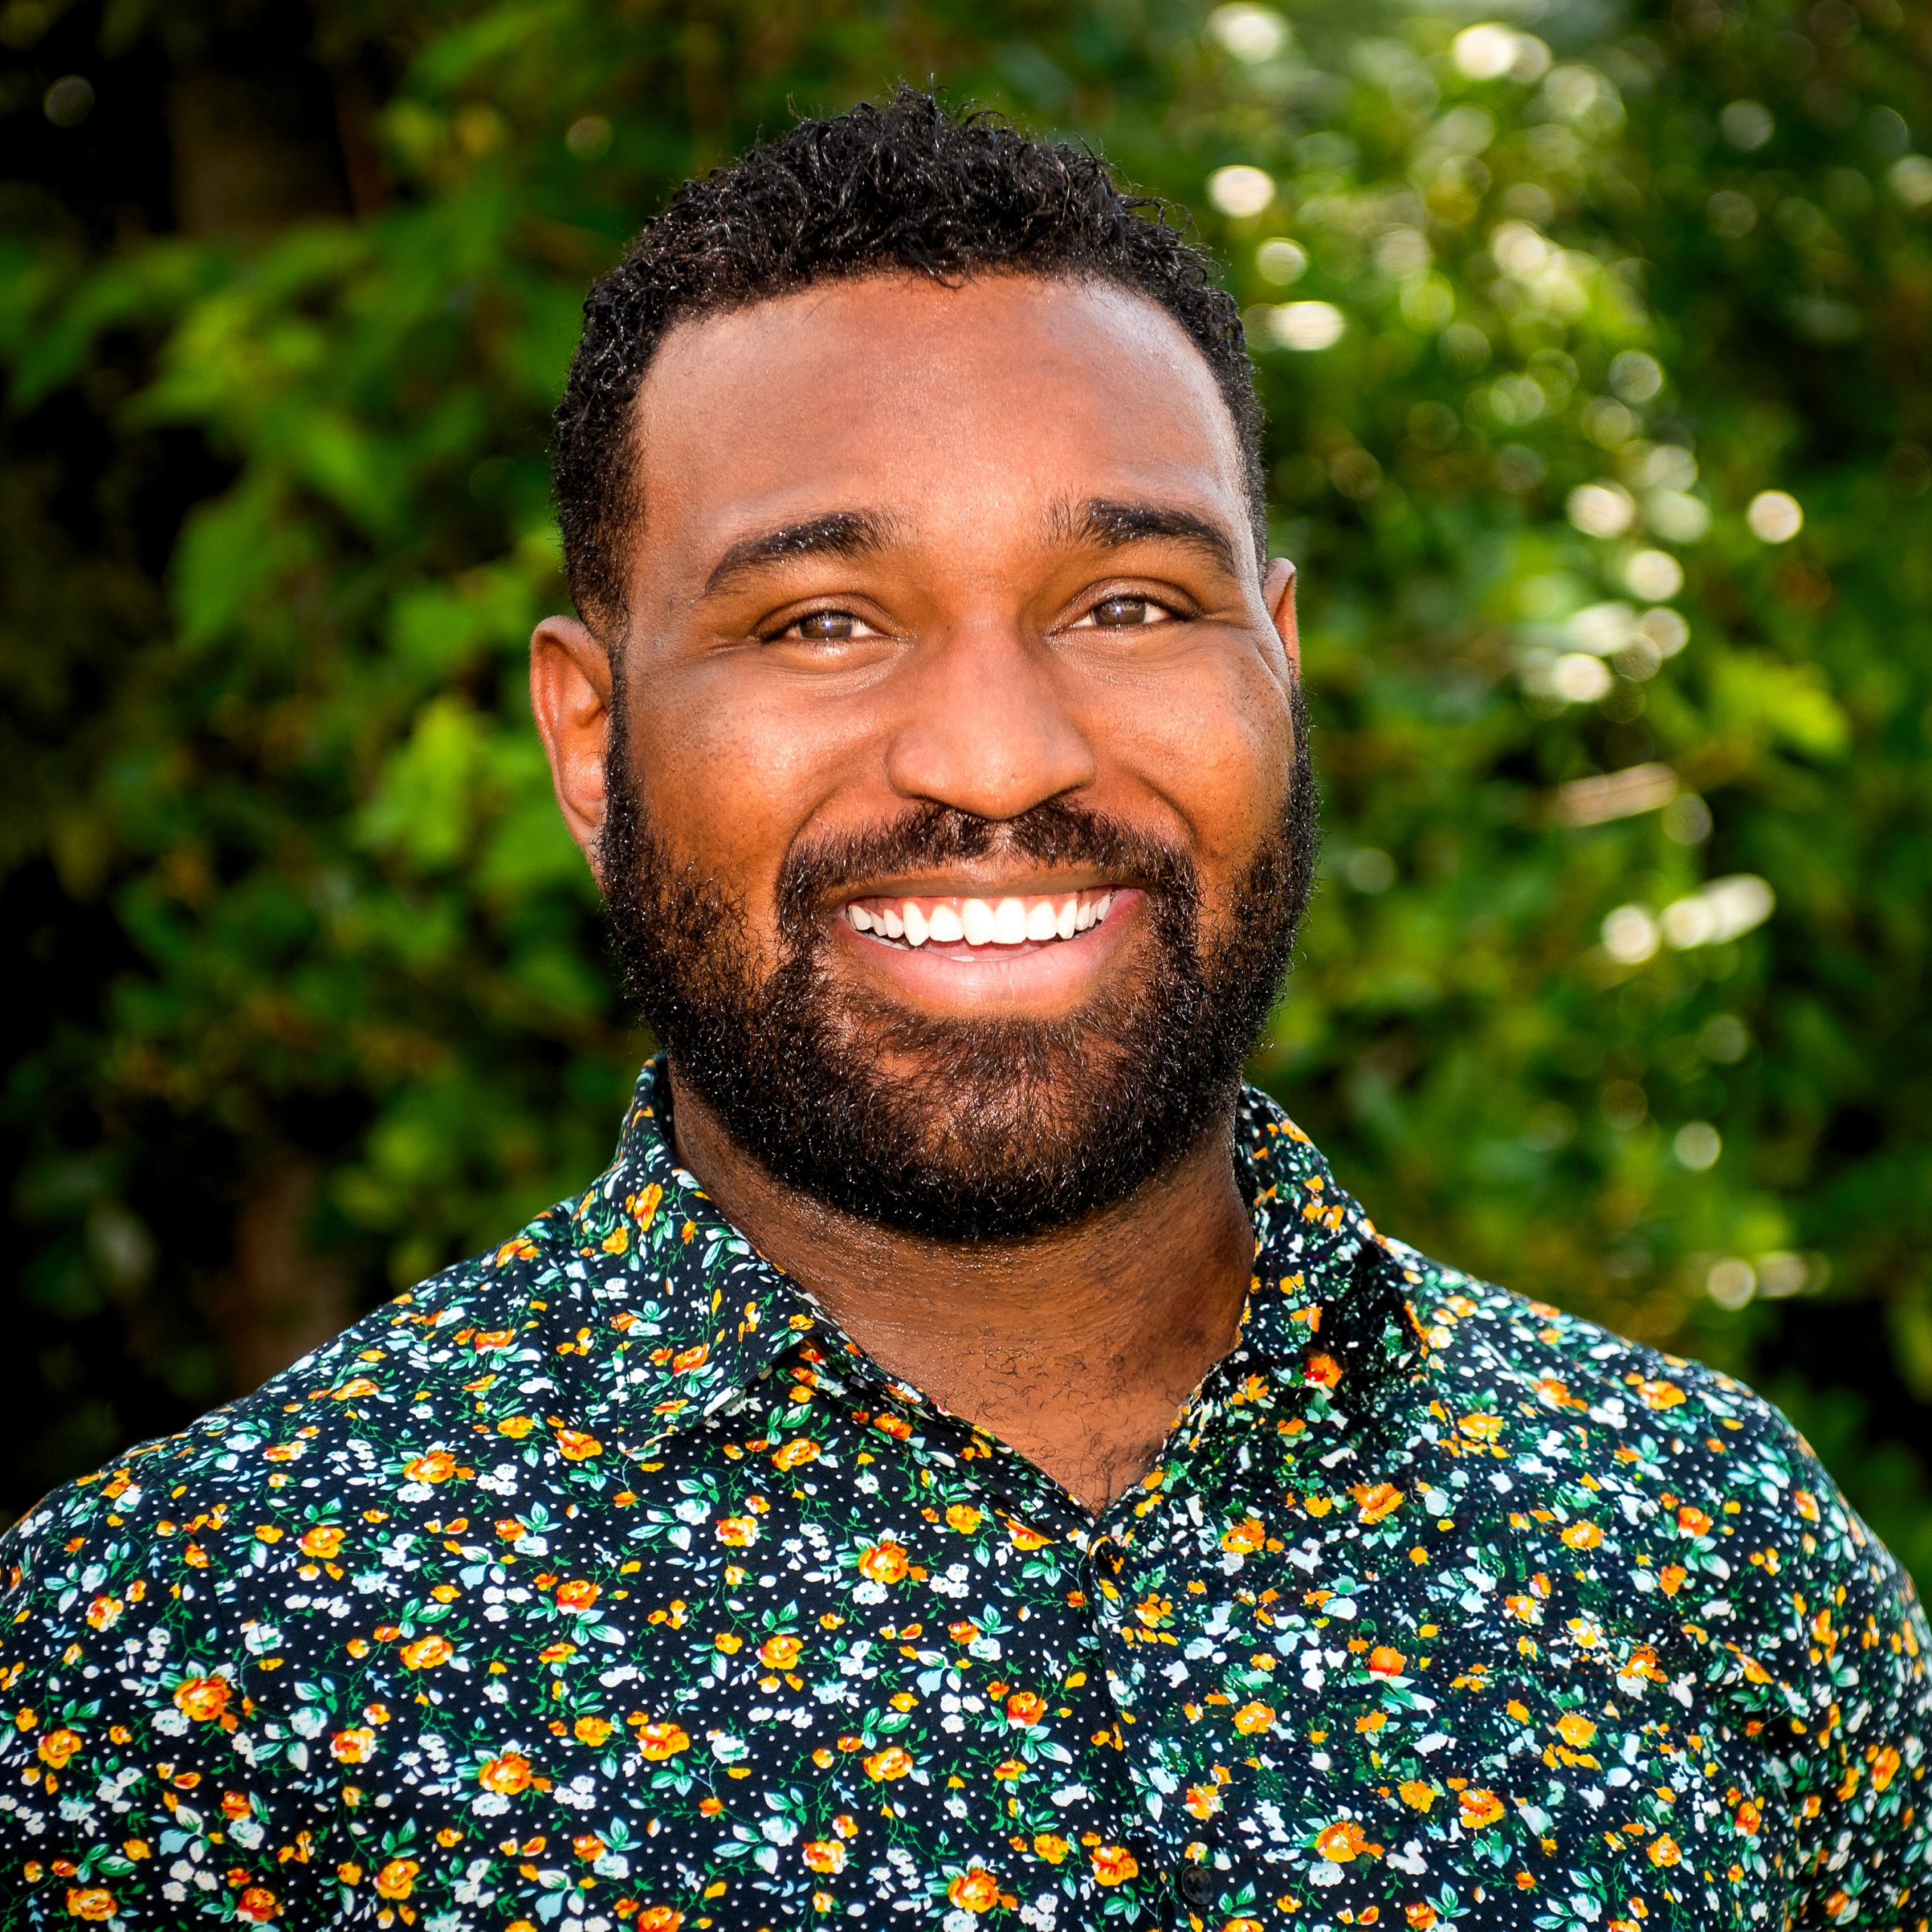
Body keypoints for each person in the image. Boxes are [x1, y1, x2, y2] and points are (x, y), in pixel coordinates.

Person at [0, 90, 1924, 1932]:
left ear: (1278, 663)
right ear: (591, 741)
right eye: (820, 621)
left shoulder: (1710, 1558)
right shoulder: (174, 1668)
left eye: (1128, 605)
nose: (998, 755)